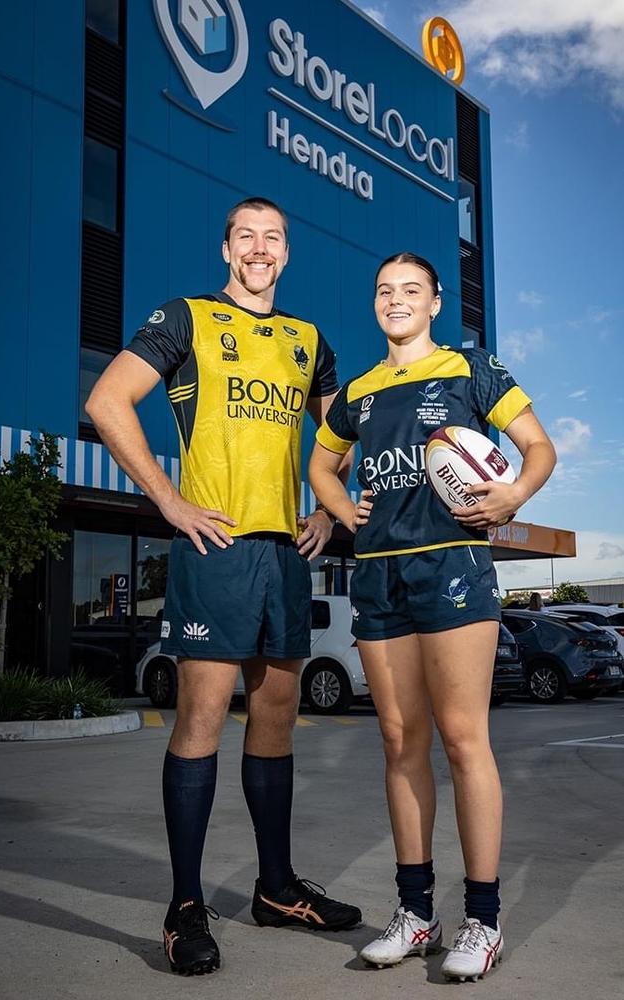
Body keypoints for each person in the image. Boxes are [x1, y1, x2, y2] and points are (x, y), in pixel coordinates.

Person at [86, 197, 360, 976]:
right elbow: (107, 402)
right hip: (216, 544)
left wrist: (326, 510)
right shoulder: (186, 319)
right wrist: (167, 502)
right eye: (247, 237)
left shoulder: (311, 341)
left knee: (275, 718)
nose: (260, 249)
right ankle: (183, 907)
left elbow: (339, 439)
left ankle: (275, 889)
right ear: (227, 248)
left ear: (287, 251)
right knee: (202, 719)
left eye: (274, 237)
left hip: (283, 556)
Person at [309, 252, 556, 981]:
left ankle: (484, 920)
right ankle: (417, 915)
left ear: (435, 301)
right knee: (398, 741)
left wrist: (514, 498)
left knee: (461, 738)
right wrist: (335, 504)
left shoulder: (472, 368)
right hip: (378, 575)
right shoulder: (357, 391)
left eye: (410, 289)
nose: (396, 300)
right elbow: (321, 464)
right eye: (385, 291)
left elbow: (539, 449)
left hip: (453, 566)